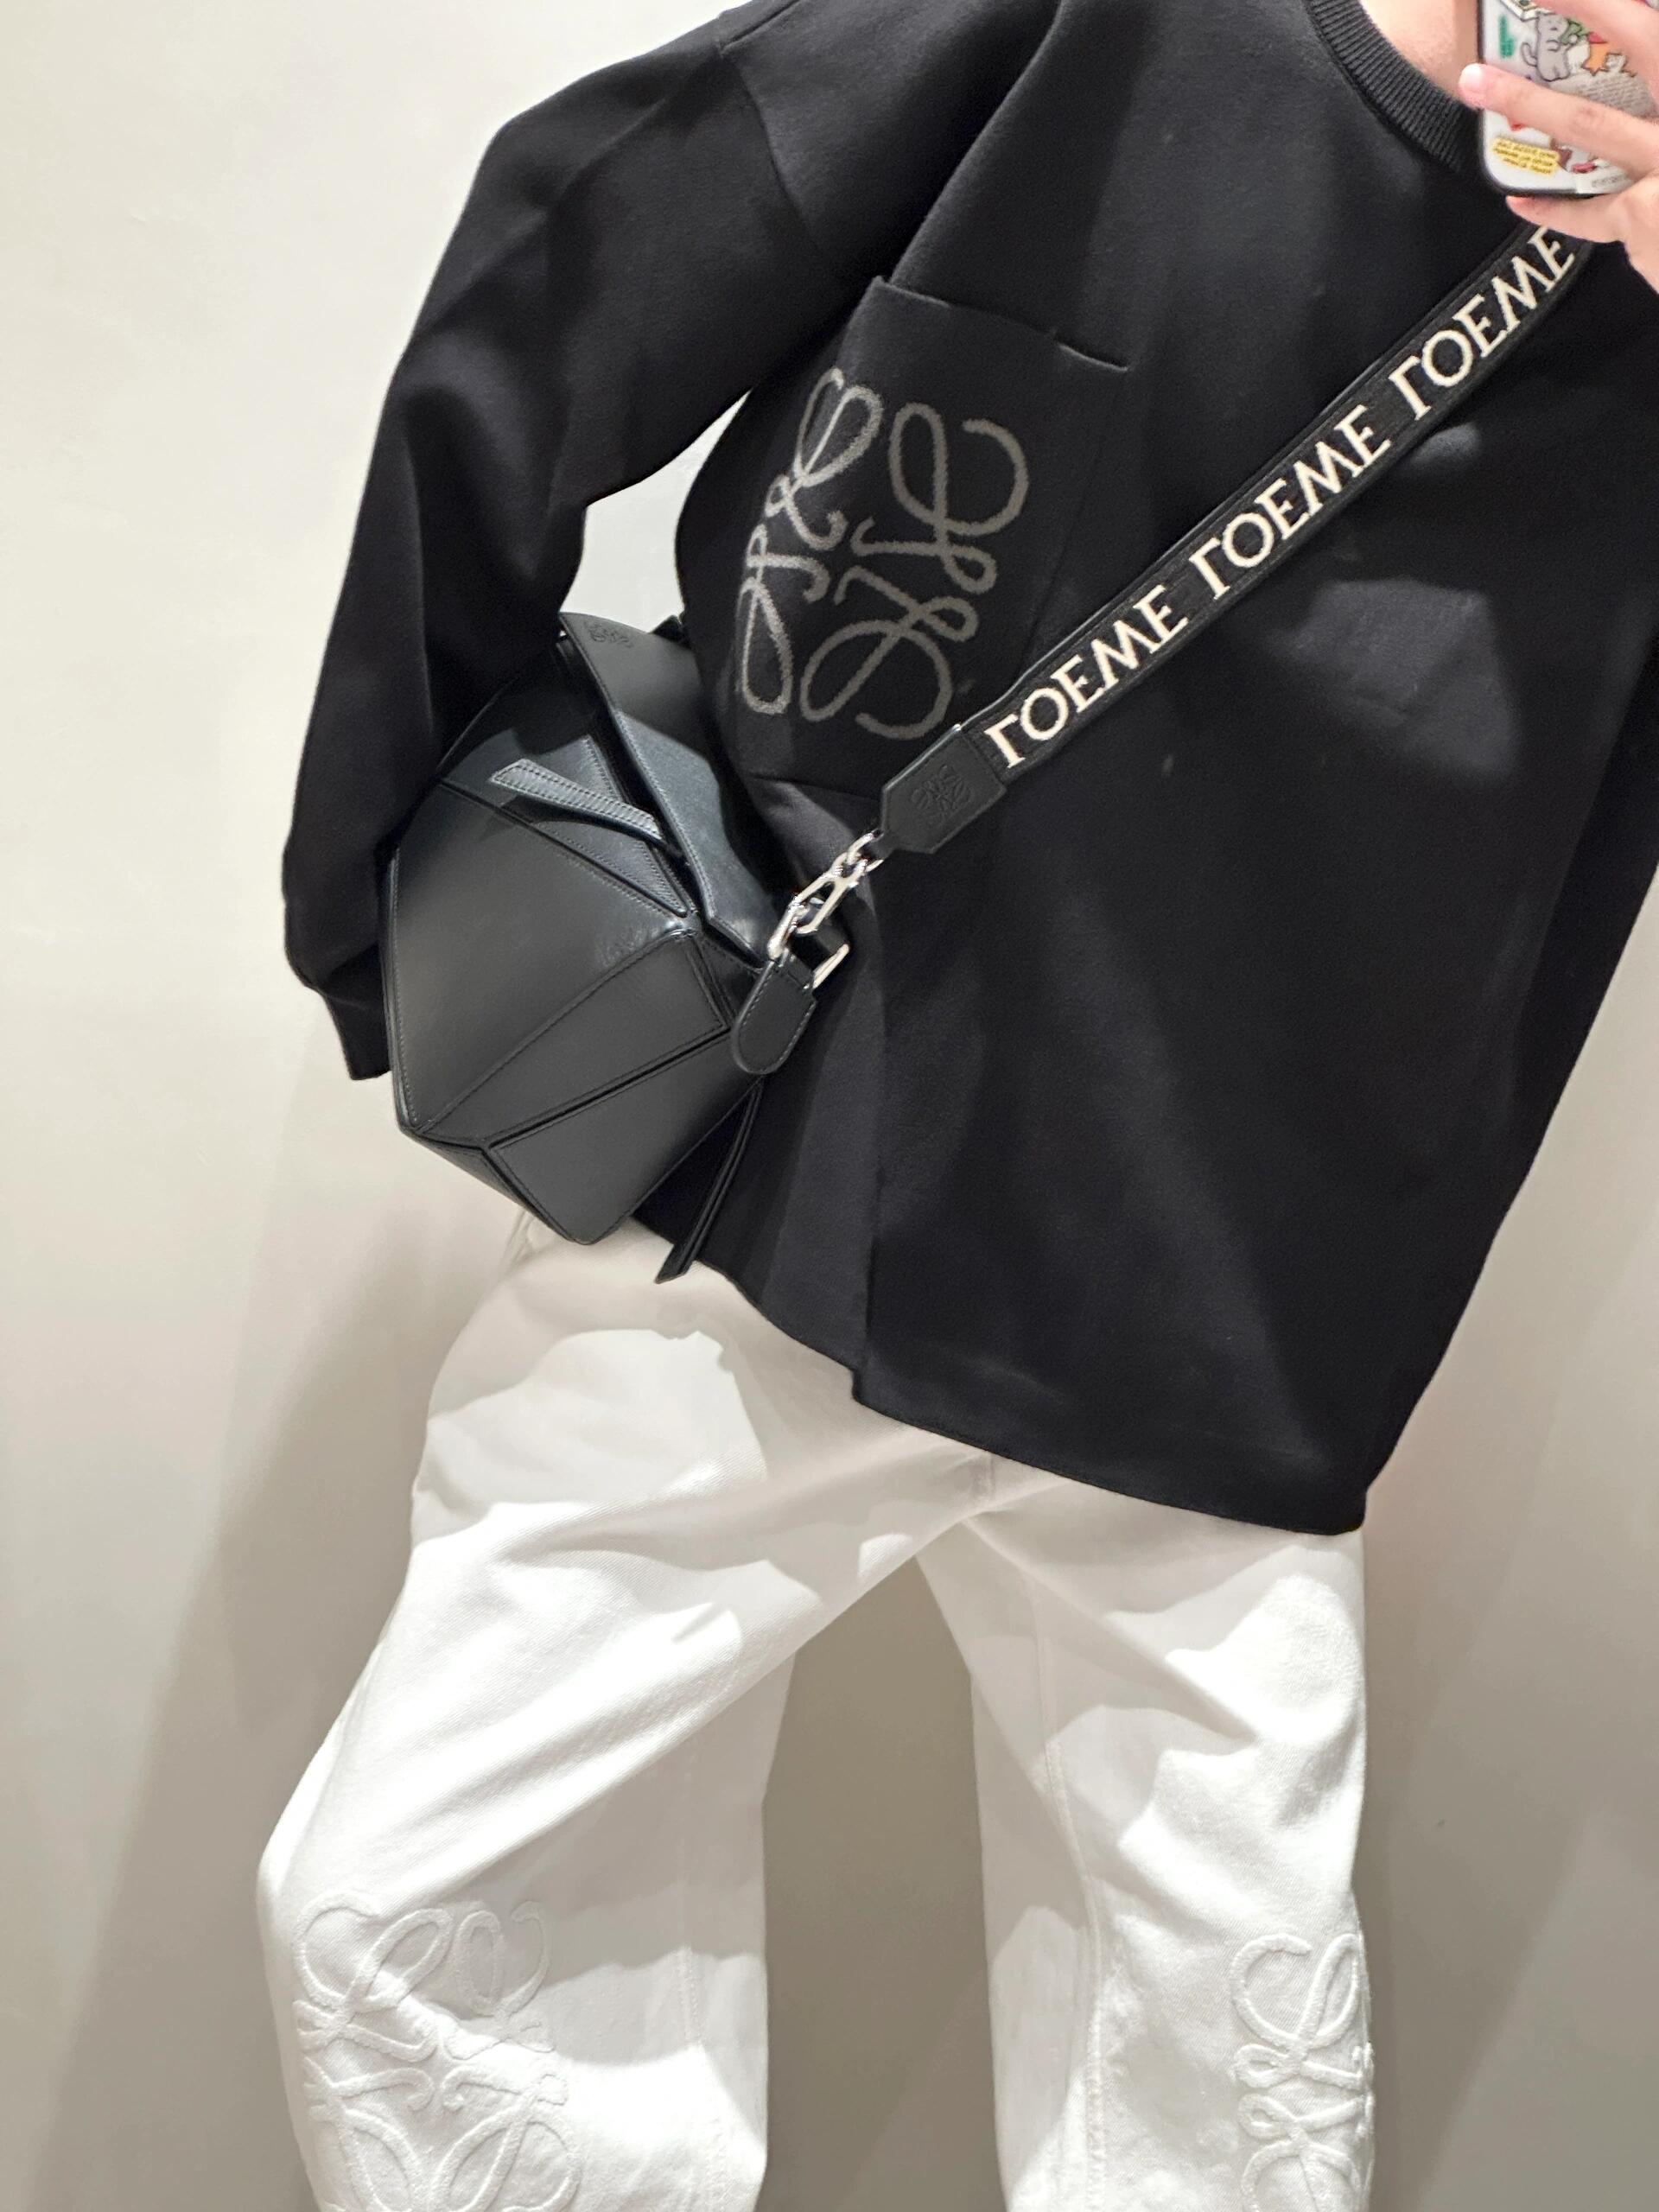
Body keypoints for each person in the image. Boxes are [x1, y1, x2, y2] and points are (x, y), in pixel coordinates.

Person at [257, 1, 1659, 2205]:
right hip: (815, 1157)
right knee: (413, 1903)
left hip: (1234, 1298)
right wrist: (394, 870)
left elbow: (577, 236)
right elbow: (587, 240)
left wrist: (379, 885)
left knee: (1212, 2100)